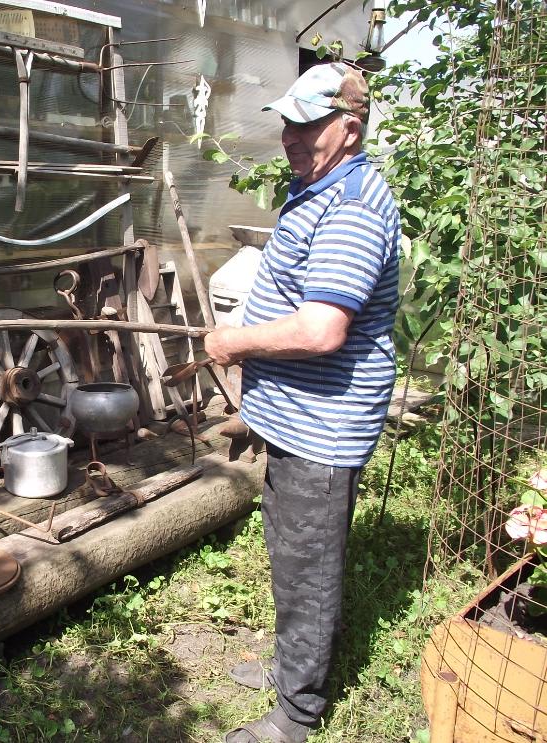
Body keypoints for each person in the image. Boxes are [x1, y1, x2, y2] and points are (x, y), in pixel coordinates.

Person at [205, 62, 401, 743]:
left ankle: (297, 711)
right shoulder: (320, 184)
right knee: (293, 550)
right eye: (287, 122)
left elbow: (322, 329)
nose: (289, 136)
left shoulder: (350, 207)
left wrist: (237, 340)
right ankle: (296, 664)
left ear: (348, 129)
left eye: (307, 125)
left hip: (324, 426)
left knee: (308, 563)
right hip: (300, 416)